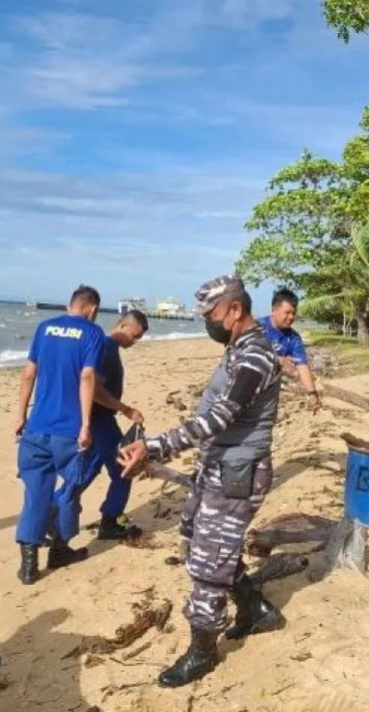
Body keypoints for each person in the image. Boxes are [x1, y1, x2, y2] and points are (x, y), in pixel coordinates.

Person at [118, 275, 285, 688]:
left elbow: (217, 418)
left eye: (210, 314)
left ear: (234, 310)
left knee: (209, 564)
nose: (206, 321)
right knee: (201, 540)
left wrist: (155, 447)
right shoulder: (238, 348)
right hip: (218, 467)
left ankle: (202, 652)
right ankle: (255, 610)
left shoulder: (255, 358)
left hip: (237, 473)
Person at [14, 285, 105, 585]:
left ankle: (29, 566)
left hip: (37, 427)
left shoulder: (44, 328)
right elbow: (87, 376)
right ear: (91, 309)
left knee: (35, 493)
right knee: (70, 489)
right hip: (68, 429)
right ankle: (59, 548)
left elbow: (29, 373)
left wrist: (20, 415)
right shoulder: (92, 334)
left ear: (70, 305)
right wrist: (86, 425)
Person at [75, 310, 148, 540]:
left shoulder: (110, 348)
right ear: (123, 326)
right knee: (122, 469)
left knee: (87, 473)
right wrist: (125, 409)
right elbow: (95, 390)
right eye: (134, 337)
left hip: (102, 421)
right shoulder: (106, 348)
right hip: (101, 421)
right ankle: (108, 520)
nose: (134, 342)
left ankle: (54, 516)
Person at [259, 288, 320, 414]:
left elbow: (302, 365)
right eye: (287, 312)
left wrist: (312, 393)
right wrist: (277, 359)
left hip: (268, 393)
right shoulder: (256, 328)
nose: (291, 317)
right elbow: (242, 354)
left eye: (293, 313)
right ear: (274, 311)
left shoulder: (293, 338)